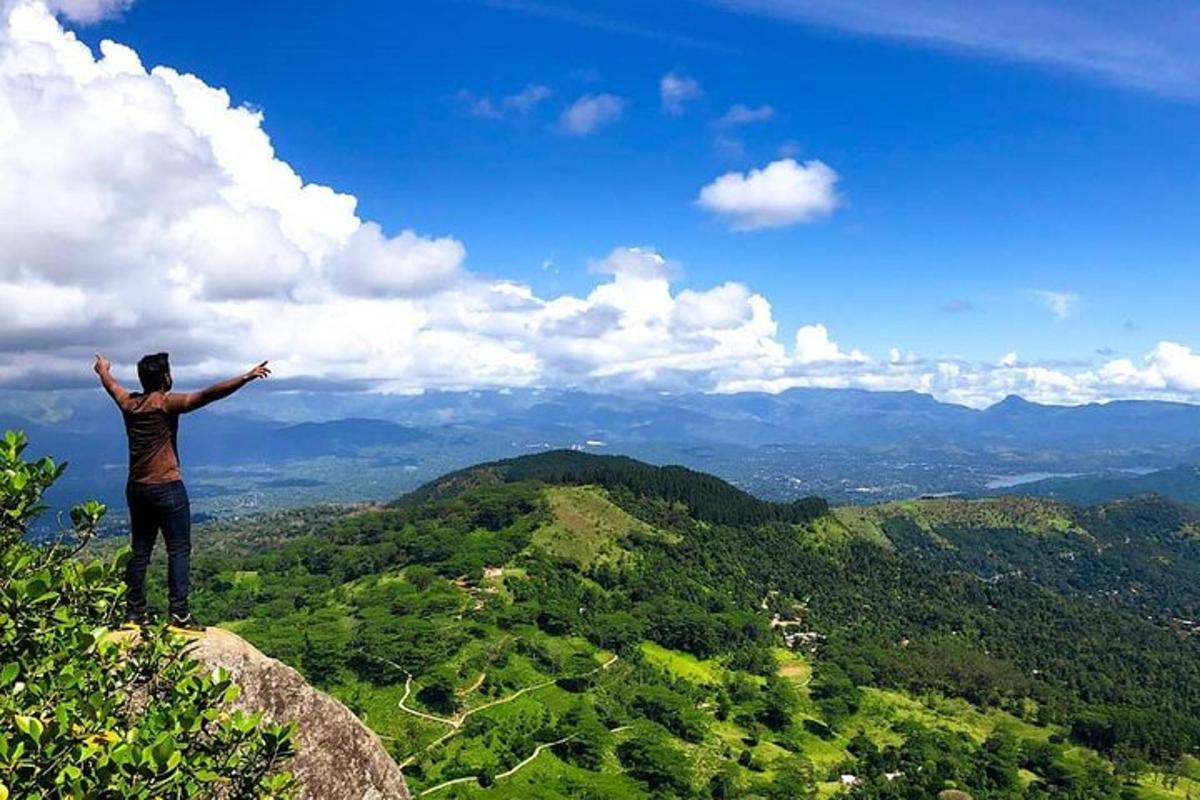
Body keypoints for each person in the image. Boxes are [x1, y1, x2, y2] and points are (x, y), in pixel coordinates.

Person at [94, 352, 270, 631]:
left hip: (137, 488)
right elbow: (209, 394)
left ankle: (133, 615)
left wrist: (102, 369)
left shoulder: (129, 404)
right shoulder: (166, 404)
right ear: (166, 378)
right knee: (178, 550)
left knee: (140, 552)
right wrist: (245, 377)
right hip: (167, 487)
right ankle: (179, 616)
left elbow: (110, 384)